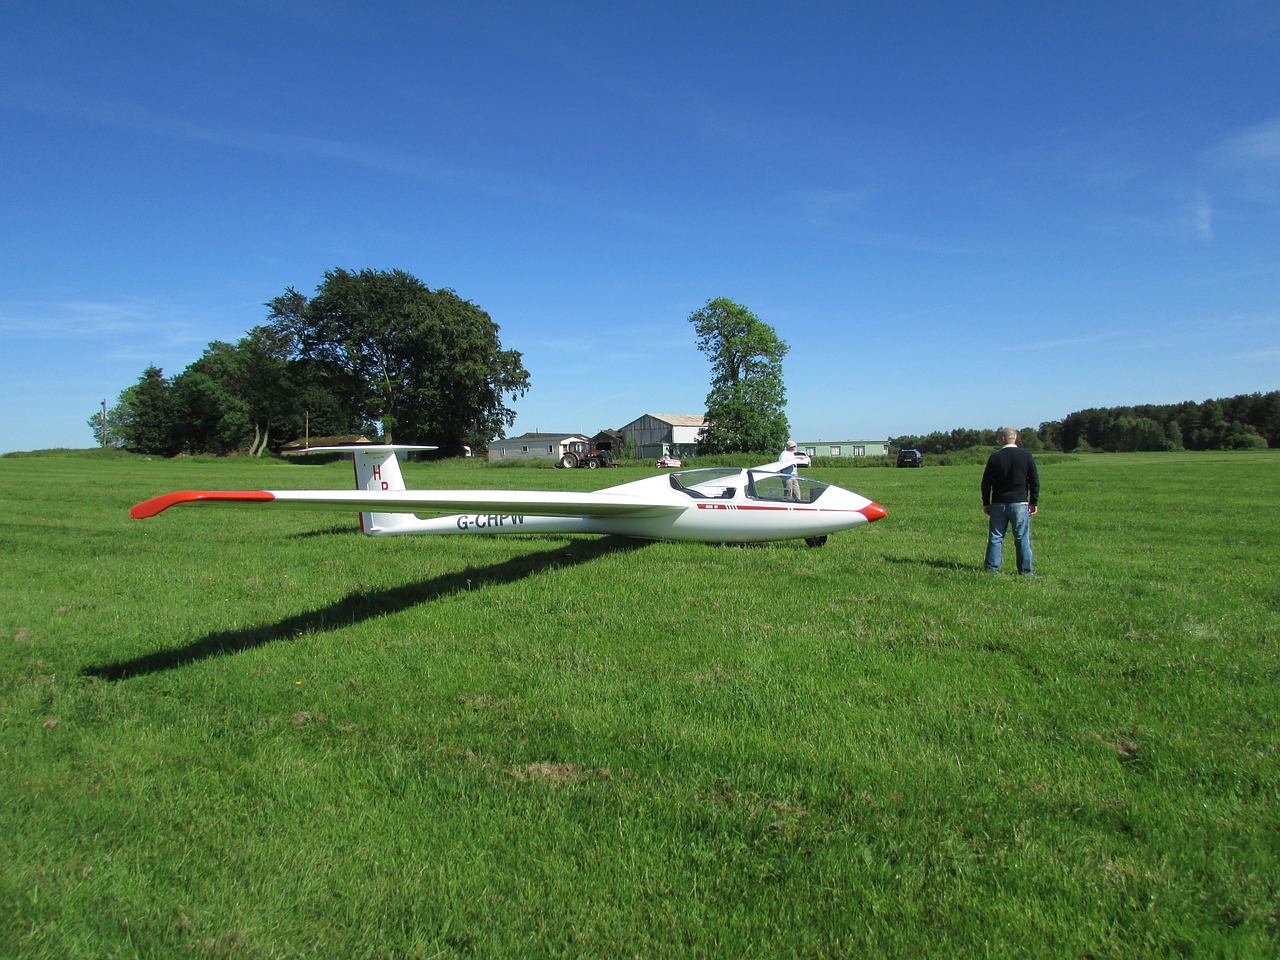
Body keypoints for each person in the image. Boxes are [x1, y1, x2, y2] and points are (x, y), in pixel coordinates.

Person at [981, 427, 1039, 575]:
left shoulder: (995, 457)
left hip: (999, 503)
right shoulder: (1026, 456)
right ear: (1015, 438)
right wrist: (1034, 501)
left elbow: (986, 482)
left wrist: (986, 502)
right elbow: (1034, 481)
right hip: (1020, 503)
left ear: (1002, 439)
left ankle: (992, 569)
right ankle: (1026, 571)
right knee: (1022, 537)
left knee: (996, 536)